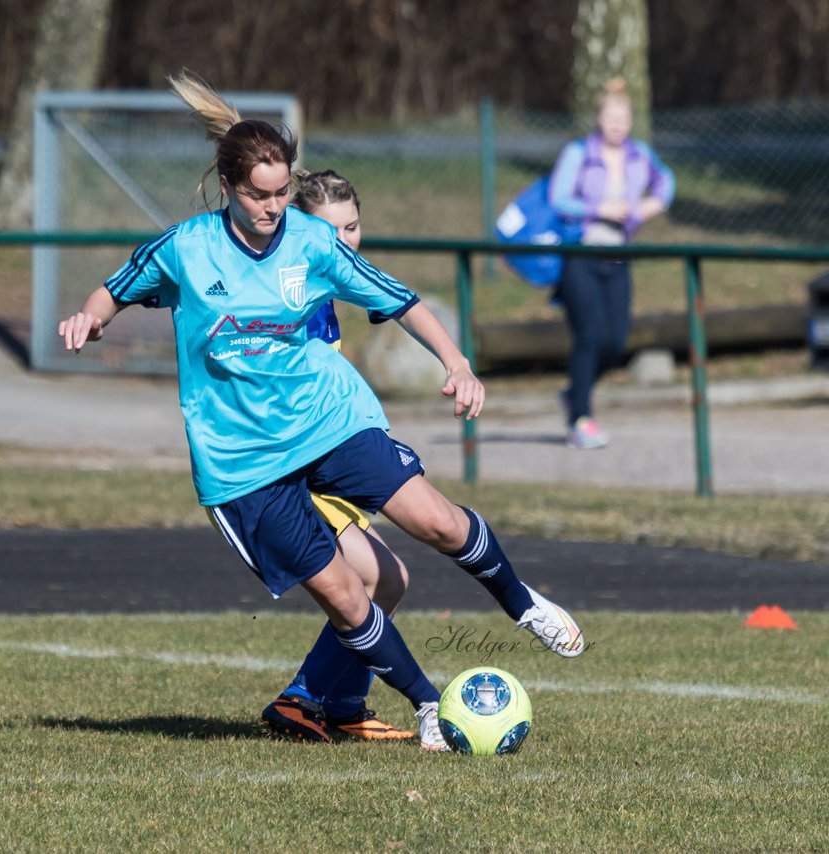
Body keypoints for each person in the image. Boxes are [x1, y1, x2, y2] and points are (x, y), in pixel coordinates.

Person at [59, 73, 585, 753]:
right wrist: (90, 319)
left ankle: (524, 605)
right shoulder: (188, 248)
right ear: (228, 190)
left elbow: (400, 299)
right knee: (345, 594)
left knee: (438, 521)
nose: (275, 207)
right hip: (243, 461)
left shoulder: (311, 242)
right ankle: (428, 706)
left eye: (282, 192)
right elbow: (116, 288)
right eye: (259, 195)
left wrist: (455, 362)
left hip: (326, 423)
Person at [256, 169, 587, 745]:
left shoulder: (338, 269)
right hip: (276, 464)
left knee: (389, 579)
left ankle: (318, 701)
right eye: (330, 230)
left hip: (330, 444)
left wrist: (456, 364)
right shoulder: (263, 275)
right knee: (376, 579)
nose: (344, 240)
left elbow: (404, 303)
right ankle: (329, 700)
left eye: (353, 226)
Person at [548, 77, 675, 449]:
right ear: (599, 118)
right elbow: (559, 198)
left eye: (623, 117)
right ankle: (580, 419)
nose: (617, 123)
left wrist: (651, 206)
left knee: (616, 340)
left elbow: (666, 181)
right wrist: (598, 209)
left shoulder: (640, 155)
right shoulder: (579, 153)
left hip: (618, 257)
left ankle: (575, 392)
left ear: (631, 120)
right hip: (581, 254)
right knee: (588, 335)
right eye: (610, 116)